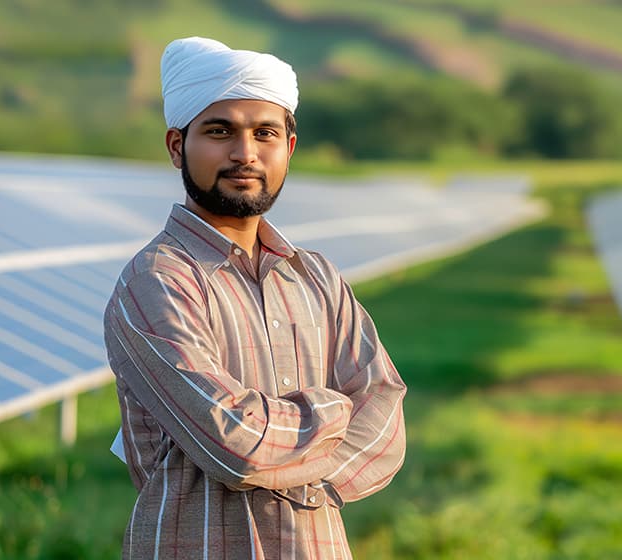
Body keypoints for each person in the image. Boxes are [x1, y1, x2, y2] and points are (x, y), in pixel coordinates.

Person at [103, 36, 407, 559]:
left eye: (264, 133)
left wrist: (293, 456)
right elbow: (232, 441)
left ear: (287, 148)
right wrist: (335, 412)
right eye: (220, 131)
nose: (245, 153)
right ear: (177, 146)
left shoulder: (317, 277)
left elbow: (383, 414)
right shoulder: (157, 282)